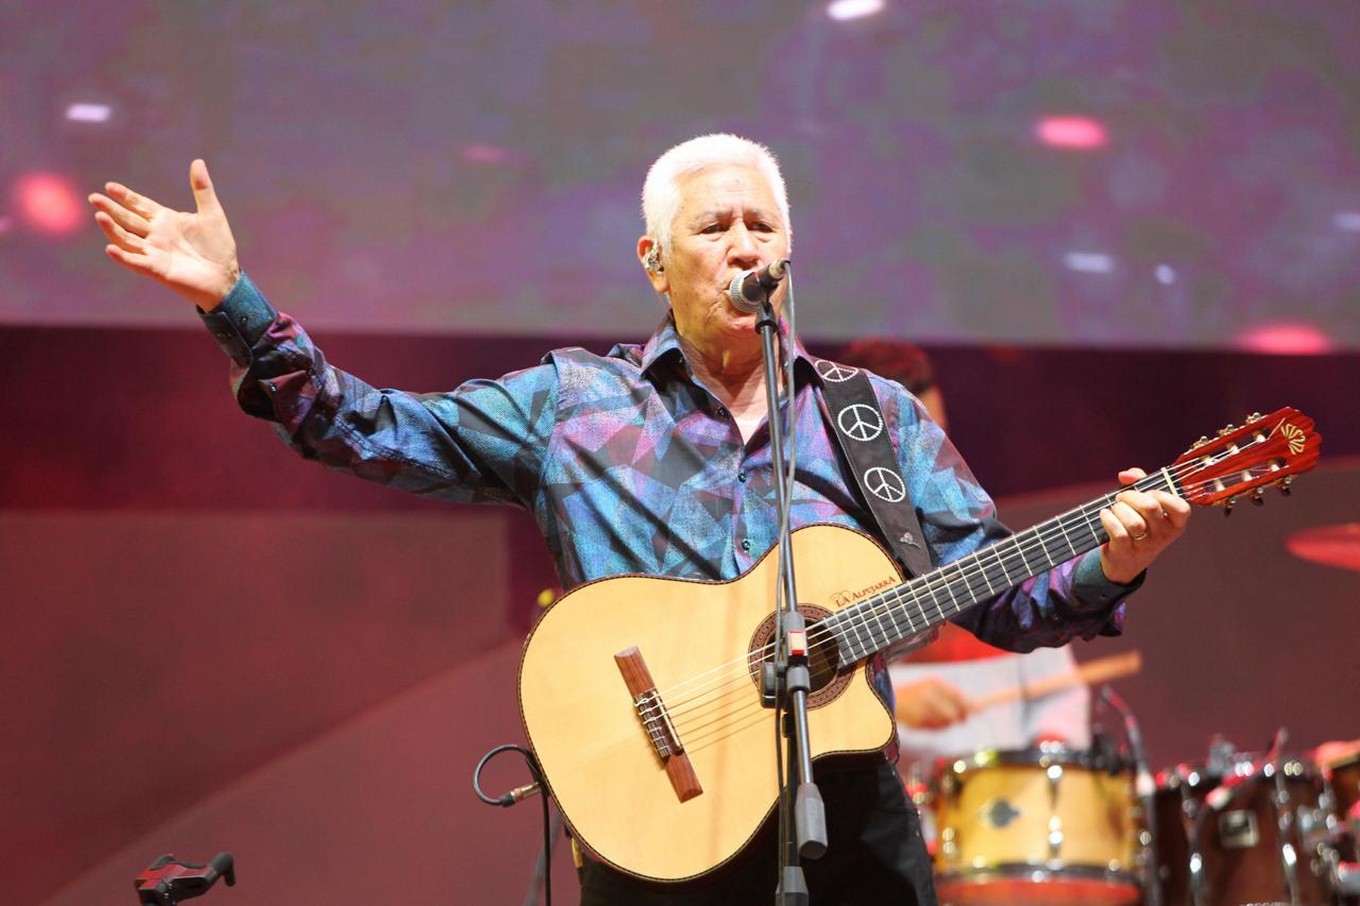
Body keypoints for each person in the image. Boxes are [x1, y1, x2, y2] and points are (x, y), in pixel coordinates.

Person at [88, 133, 1190, 906]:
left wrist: (1110, 560)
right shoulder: (577, 405)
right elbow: (361, 425)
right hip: (659, 825)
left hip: (849, 835)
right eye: (714, 226)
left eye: (763, 225)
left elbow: (997, 591)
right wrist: (232, 302)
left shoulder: (870, 418)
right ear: (655, 262)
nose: (745, 244)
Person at [837, 338, 1090, 770]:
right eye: (911, 444)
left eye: (938, 436)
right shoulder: (825, 557)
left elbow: (1060, 700)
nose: (933, 460)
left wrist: (1041, 766)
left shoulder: (973, 542)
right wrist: (891, 705)